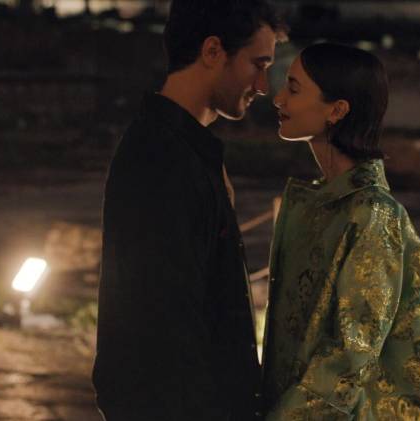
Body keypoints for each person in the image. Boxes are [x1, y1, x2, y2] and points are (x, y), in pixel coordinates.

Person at [92, 1, 287, 419]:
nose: (263, 85)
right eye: (258, 65)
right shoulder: (162, 158)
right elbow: (160, 329)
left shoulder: (184, 150)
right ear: (213, 51)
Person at [261, 43, 420, 420]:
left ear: (337, 110)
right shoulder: (322, 204)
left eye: (293, 88)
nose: (278, 98)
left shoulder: (373, 214)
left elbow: (350, 355)